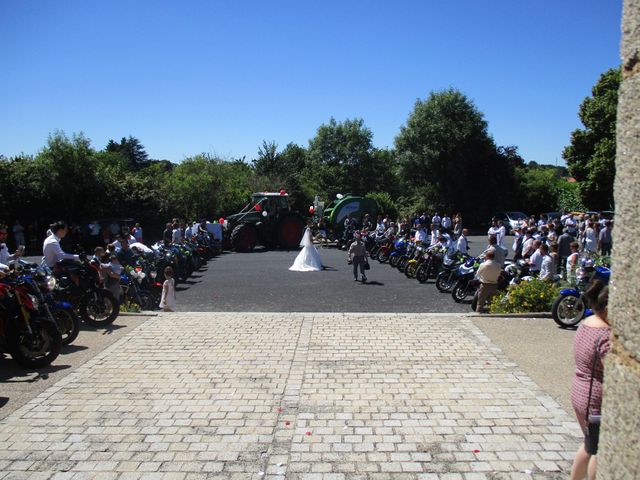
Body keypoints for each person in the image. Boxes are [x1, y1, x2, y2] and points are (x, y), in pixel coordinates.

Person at [570, 281, 610, 480]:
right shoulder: (606, 335)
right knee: (598, 450)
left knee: (588, 444)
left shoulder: (588, 322)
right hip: (594, 397)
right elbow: (612, 373)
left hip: (580, 388)